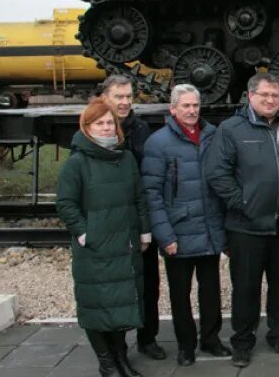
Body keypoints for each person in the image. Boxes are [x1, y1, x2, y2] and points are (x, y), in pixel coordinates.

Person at [205, 72, 279, 368]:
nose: (270, 100)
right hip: (246, 226)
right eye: (264, 95)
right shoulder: (231, 129)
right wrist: (243, 203)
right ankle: (242, 341)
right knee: (246, 287)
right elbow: (217, 173)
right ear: (250, 96)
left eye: (275, 95)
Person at [56, 99, 151, 377]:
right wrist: (86, 234)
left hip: (125, 245)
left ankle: (121, 359)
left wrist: (144, 232)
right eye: (100, 123)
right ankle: (107, 363)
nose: (107, 127)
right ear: (87, 127)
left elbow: (138, 198)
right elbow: (66, 204)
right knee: (96, 306)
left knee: (122, 305)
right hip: (96, 249)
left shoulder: (125, 158)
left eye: (110, 122)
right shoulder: (77, 163)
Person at [142, 84, 231, 366]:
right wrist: (164, 235)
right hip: (178, 232)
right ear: (173, 109)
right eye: (186, 106)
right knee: (180, 294)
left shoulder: (212, 135)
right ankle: (186, 345)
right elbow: (152, 194)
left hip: (208, 228)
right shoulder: (158, 143)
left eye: (195, 105)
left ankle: (211, 338)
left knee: (211, 289)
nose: (192, 111)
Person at [100, 75, 164, 361]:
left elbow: (150, 178)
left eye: (128, 97)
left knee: (148, 285)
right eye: (119, 97)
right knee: (115, 288)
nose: (125, 102)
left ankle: (147, 338)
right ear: (105, 98)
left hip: (139, 219)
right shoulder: (95, 129)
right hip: (110, 223)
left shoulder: (141, 129)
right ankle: (116, 345)